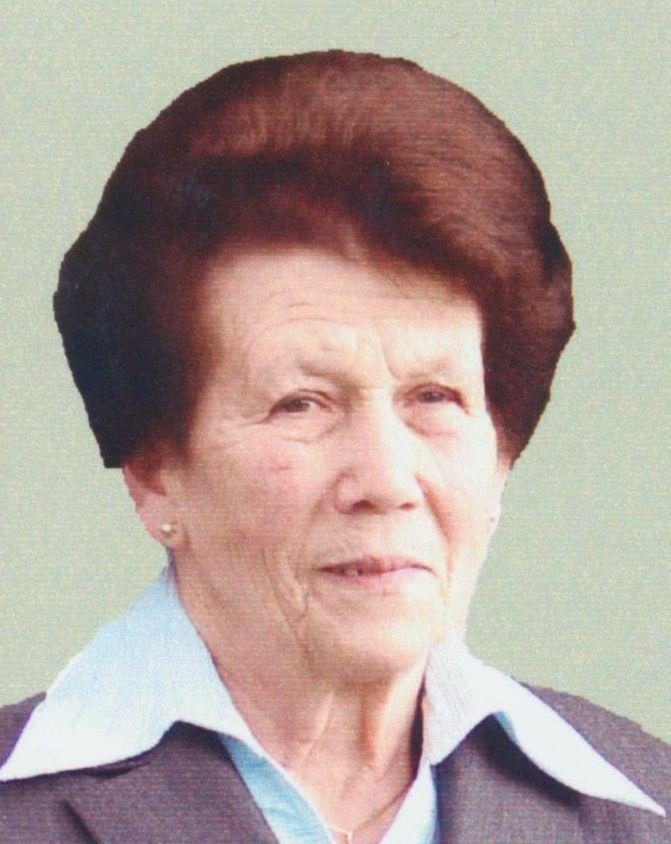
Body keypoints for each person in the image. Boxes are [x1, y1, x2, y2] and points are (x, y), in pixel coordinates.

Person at [0, 50, 668, 843]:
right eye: (301, 404)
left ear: (498, 456)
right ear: (154, 474)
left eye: (434, 397)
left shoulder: (638, 804)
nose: (386, 481)